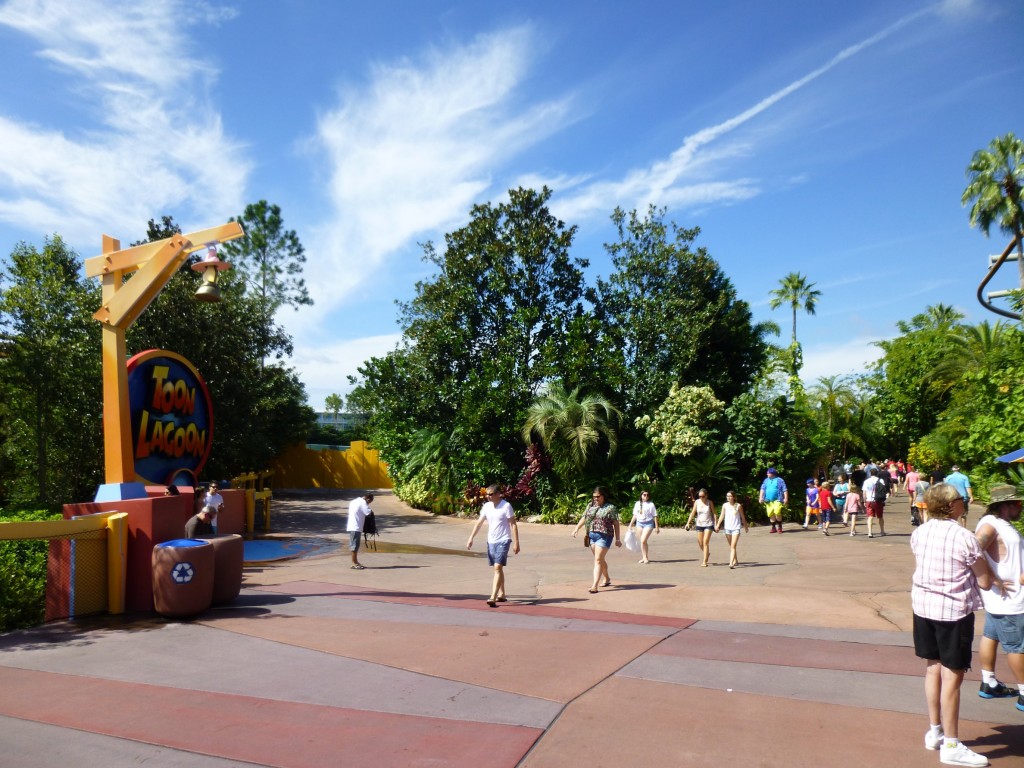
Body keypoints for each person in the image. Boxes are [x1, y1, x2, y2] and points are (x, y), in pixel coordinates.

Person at [911, 482, 993, 767]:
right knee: (952, 677)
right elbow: (984, 580)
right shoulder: (963, 537)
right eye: (960, 499)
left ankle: (935, 732)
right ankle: (952, 744)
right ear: (950, 505)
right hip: (953, 612)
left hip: (923, 608)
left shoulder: (920, 532)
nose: (964, 502)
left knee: (932, 668)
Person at [974, 484, 1024, 709]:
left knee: (991, 635)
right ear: (1005, 505)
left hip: (1002, 598)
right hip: (1010, 598)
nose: (1020, 507)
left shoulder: (998, 524)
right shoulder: (991, 525)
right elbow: (973, 551)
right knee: (1017, 646)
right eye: (1017, 503)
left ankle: (989, 682)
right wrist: (993, 579)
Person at [466, 485, 520, 607]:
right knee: (498, 569)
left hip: (504, 540)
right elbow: (479, 523)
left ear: (498, 494)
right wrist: (471, 538)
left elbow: (513, 525)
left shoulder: (506, 506)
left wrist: (516, 542)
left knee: (497, 567)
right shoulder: (486, 507)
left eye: (490, 494)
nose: (488, 496)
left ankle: (493, 597)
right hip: (491, 541)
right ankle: (502, 594)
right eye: (487, 494)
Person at [572, 486, 621, 593]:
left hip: (605, 536)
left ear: (603, 496)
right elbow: (585, 517)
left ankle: (594, 586)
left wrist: (618, 539)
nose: (595, 499)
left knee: (598, 559)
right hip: (592, 535)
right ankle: (607, 578)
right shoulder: (590, 505)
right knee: (600, 559)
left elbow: (616, 523)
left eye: (598, 496)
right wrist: (576, 528)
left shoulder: (610, 508)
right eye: (594, 496)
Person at [715, 490, 749, 568]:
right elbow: (722, 516)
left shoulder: (738, 506)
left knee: (733, 546)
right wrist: (717, 525)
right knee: (731, 546)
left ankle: (731, 563)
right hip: (727, 528)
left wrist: (746, 526)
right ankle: (735, 560)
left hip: (736, 528)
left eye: (730, 496)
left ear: (733, 497)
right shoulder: (725, 505)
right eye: (727, 496)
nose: (728, 497)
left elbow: (742, 517)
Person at [685, 488, 716, 567]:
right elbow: (693, 512)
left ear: (706, 496)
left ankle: (705, 561)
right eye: (699, 496)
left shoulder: (710, 503)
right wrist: (688, 523)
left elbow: (715, 514)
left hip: (708, 524)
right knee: (700, 543)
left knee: (705, 542)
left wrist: (716, 524)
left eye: (702, 496)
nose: (701, 498)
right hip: (699, 524)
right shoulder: (697, 502)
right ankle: (707, 553)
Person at [629, 490, 659, 564]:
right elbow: (635, 515)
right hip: (639, 523)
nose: (646, 496)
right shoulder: (637, 504)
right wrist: (630, 524)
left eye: (647, 495)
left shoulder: (651, 504)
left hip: (648, 523)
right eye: (644, 495)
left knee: (643, 540)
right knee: (643, 542)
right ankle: (644, 557)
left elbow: (655, 515)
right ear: (641, 495)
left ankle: (645, 558)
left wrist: (657, 527)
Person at [346, 493, 374, 569]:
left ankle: (355, 561)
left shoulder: (354, 501)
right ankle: (353, 563)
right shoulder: (363, 502)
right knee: (355, 545)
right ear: (368, 499)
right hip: (356, 527)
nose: (368, 503)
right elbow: (368, 512)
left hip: (352, 525)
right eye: (369, 502)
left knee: (354, 544)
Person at [759, 467, 788, 534]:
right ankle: (773, 528)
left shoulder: (779, 480)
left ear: (772, 473)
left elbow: (785, 489)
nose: (767, 474)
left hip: (777, 499)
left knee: (777, 512)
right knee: (770, 513)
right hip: (768, 500)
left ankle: (780, 527)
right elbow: (762, 489)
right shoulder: (766, 480)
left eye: (768, 473)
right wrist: (760, 497)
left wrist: (785, 498)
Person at [862, 467, 887, 538]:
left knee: (870, 516)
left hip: (869, 500)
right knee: (880, 516)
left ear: (870, 473)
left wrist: (864, 501)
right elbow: (883, 490)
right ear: (877, 473)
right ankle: (882, 531)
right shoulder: (881, 480)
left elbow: (864, 492)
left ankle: (870, 532)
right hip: (878, 500)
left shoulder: (866, 481)